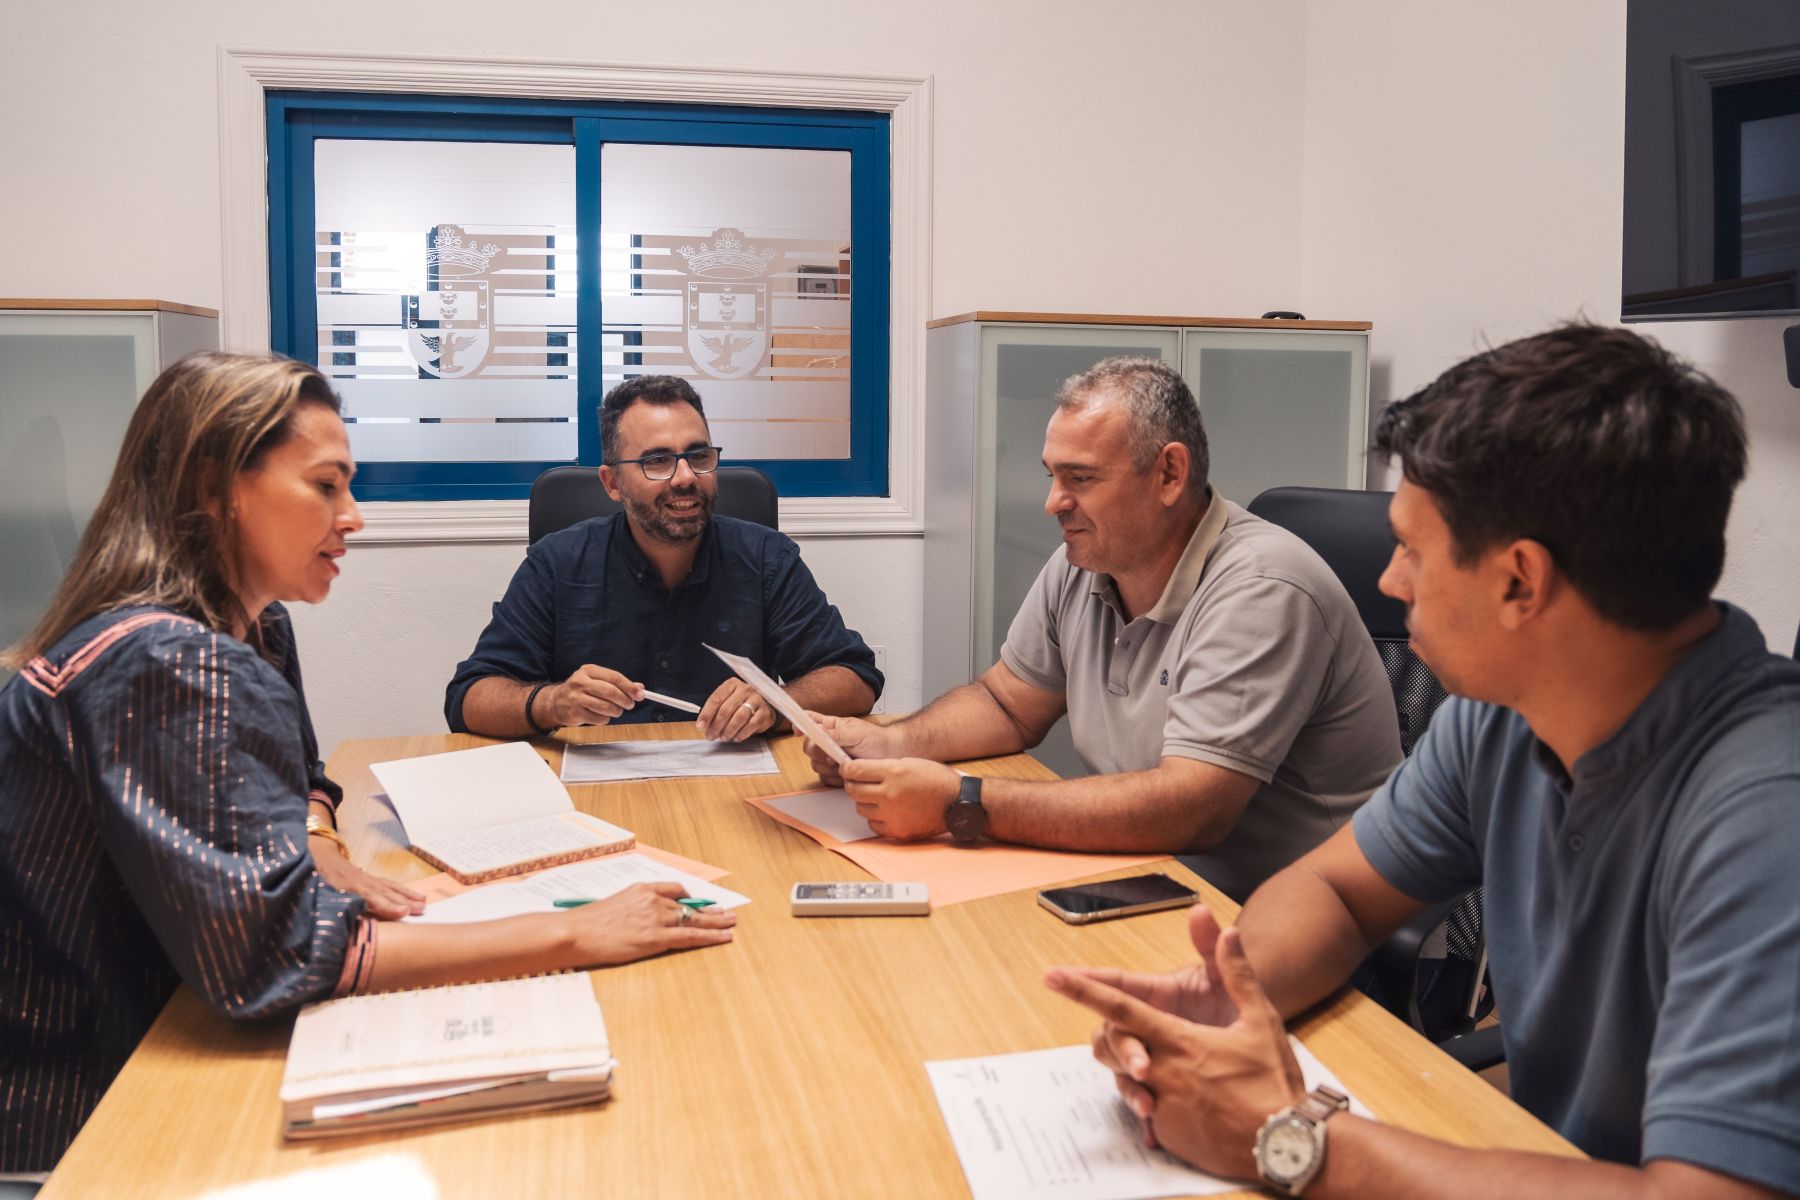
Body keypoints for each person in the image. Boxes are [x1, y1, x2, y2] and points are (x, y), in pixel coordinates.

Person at [1047, 325, 1800, 1199]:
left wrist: (1297, 1144)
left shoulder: (1765, 816)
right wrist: (1224, 997)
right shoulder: (1504, 717)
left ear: (1521, 581)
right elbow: (1335, 887)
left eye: (1411, 548)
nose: (1392, 584)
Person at [0, 354, 735, 1175]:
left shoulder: (252, 626)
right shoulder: (169, 660)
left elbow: (303, 779)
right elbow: (274, 959)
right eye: (325, 486)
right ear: (216, 489)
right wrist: (575, 928)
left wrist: (315, 841)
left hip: (159, 1019)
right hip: (81, 1107)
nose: (354, 517)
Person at [804, 357, 1401, 900]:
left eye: (1081, 479)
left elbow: (1191, 811)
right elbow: (1007, 702)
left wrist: (962, 802)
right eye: (1052, 477)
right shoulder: (1084, 560)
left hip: (1304, 911)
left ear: (1170, 473)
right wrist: (891, 742)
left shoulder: (1263, 587)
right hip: (1156, 876)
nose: (1054, 503)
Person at [446, 374, 881, 743]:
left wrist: (776, 701)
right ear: (613, 483)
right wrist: (550, 702)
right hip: (595, 793)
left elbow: (855, 676)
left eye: (698, 455)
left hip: (733, 790)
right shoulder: (557, 565)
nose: (686, 477)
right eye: (657, 461)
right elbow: (468, 699)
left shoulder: (766, 558)